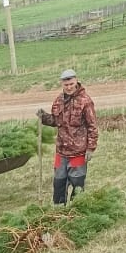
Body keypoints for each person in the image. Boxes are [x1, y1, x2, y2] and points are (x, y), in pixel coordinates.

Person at [38, 69, 98, 204]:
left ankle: (76, 211)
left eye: (71, 84)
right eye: (66, 85)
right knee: (58, 184)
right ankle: (59, 212)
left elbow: (92, 126)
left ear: (76, 81)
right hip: (61, 152)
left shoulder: (85, 101)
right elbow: (55, 121)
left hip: (78, 152)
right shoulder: (59, 100)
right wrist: (44, 117)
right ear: (62, 84)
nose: (69, 87)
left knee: (77, 185)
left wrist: (91, 148)